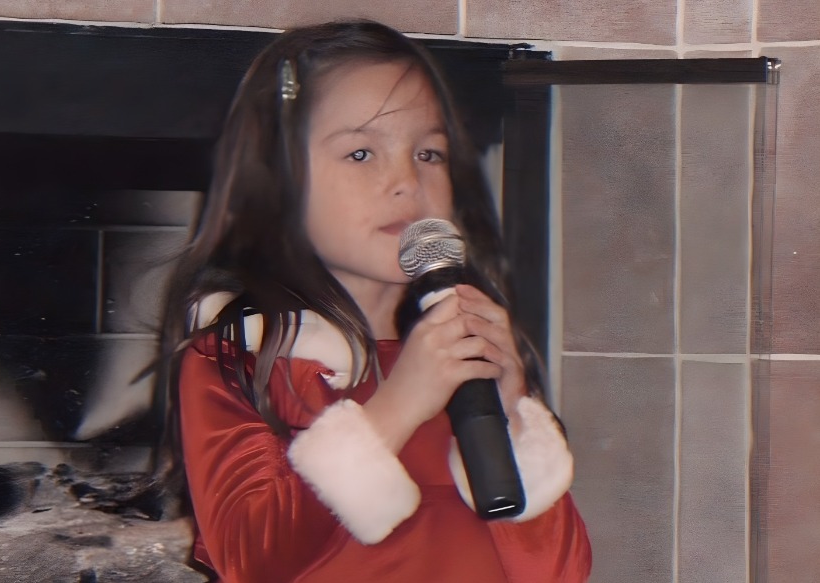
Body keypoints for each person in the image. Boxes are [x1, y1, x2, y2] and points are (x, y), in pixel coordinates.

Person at [162, 19, 591, 582]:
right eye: (361, 153)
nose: (407, 181)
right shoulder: (242, 356)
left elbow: (559, 572)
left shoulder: (467, 358)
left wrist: (512, 417)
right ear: (279, 182)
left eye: (430, 154)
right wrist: (399, 406)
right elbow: (251, 558)